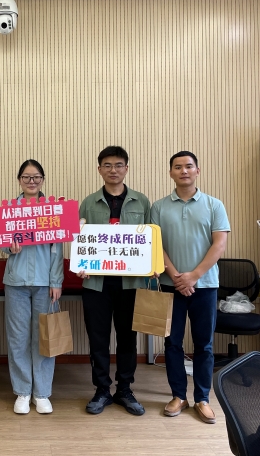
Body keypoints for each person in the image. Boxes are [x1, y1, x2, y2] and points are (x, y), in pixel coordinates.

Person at [151, 151, 230, 424]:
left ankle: (202, 399)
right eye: (177, 167)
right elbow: (156, 246)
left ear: (197, 170)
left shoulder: (214, 205)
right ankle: (178, 396)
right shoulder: (159, 207)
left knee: (204, 344)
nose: (183, 171)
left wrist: (194, 276)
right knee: (172, 343)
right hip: (169, 285)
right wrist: (177, 277)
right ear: (170, 173)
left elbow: (219, 244)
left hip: (205, 285)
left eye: (188, 166)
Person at [78, 146, 151, 416]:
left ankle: (125, 389)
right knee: (97, 338)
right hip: (96, 283)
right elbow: (80, 240)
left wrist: (152, 266)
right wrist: (81, 264)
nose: (113, 170)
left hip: (130, 282)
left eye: (118, 165)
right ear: (99, 169)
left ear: (126, 169)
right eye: (107, 165)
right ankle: (101, 390)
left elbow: (151, 239)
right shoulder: (88, 203)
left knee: (128, 337)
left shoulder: (142, 202)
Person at [2, 160, 63, 415]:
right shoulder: (8, 210)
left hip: (44, 284)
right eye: (26, 177)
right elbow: (1, 244)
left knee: (44, 337)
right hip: (15, 282)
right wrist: (9, 246)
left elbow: (57, 248)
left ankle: (42, 393)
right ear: (19, 180)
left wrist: (56, 281)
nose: (31, 181)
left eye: (36, 177)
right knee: (18, 339)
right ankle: (22, 391)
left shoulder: (51, 210)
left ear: (42, 180)